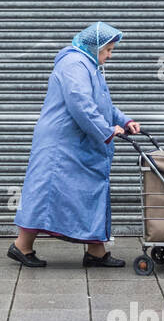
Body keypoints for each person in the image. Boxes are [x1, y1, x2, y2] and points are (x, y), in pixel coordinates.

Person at [8, 22, 141, 268]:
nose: (110, 56)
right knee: (45, 193)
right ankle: (21, 246)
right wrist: (106, 130)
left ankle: (96, 252)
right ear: (95, 47)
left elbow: (102, 104)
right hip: (60, 144)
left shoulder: (89, 65)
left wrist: (124, 120)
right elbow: (80, 104)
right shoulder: (74, 65)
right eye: (108, 50)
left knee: (88, 191)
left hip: (75, 142)